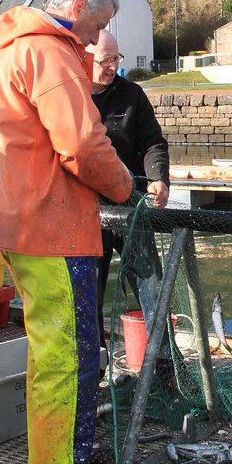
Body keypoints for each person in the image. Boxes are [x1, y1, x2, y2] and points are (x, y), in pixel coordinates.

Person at [0, 0, 134, 464]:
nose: (95, 39)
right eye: (97, 24)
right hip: (49, 227)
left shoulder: (11, 49)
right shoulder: (50, 50)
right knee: (70, 354)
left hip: (14, 223)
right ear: (78, 7)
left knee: (48, 347)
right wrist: (124, 187)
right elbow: (83, 144)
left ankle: (55, 457)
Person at [86, 29, 175, 384]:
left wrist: (158, 177)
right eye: (105, 61)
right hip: (86, 210)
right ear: (84, 59)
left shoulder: (132, 94)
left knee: (151, 281)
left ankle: (166, 365)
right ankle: (95, 369)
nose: (112, 67)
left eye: (116, 59)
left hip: (131, 205)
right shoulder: (71, 97)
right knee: (89, 290)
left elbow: (153, 142)